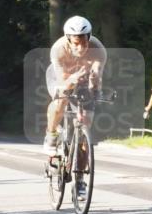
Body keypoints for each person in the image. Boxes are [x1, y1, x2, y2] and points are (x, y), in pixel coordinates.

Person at [43, 16, 108, 156]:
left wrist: (94, 85)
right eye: (76, 43)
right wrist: (73, 78)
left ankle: (80, 174)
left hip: (83, 75)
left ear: (89, 37)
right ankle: (51, 135)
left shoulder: (98, 49)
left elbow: (97, 74)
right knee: (61, 100)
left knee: (86, 120)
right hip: (60, 76)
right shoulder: (58, 50)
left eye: (84, 43)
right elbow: (63, 81)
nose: (80, 48)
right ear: (68, 39)